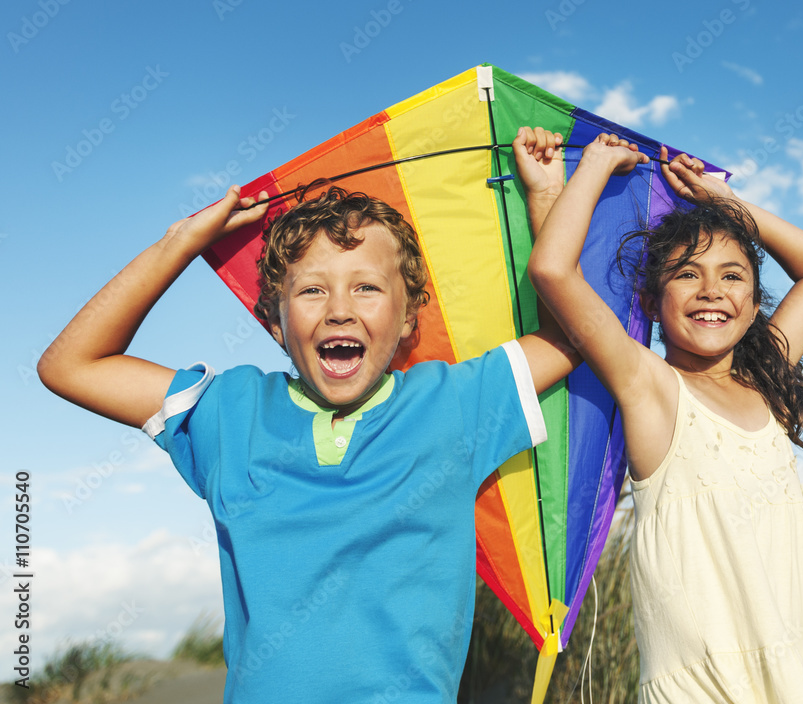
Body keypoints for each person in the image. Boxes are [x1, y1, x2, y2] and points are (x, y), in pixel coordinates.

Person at [37, 127, 574, 704]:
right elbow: (70, 365)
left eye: (366, 287)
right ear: (275, 323)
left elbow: (570, 334)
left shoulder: (454, 403)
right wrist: (183, 242)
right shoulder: (228, 412)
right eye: (311, 291)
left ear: (409, 318)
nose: (339, 309)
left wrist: (545, 196)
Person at [528, 132, 803, 703]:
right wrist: (593, 166)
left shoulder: (764, 382)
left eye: (732, 275)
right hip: (712, 683)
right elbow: (552, 269)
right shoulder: (650, 386)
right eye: (686, 274)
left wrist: (724, 204)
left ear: (753, 306)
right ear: (651, 302)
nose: (711, 291)